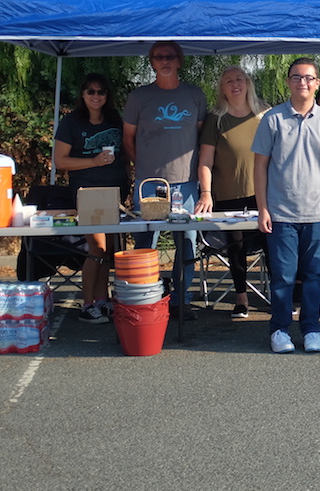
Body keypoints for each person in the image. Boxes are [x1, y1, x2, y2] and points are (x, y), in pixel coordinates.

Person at [253, 58, 320, 354]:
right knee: (283, 276)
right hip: (281, 212)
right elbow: (260, 166)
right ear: (288, 81)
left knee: (314, 275)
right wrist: (262, 208)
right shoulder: (273, 119)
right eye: (297, 77)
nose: (302, 83)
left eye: (309, 78)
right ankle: (279, 329)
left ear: (317, 84)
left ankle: (312, 329)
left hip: (318, 212)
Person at [122, 41, 207, 319]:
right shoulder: (139, 97)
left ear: (179, 61)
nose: (165, 61)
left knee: (187, 243)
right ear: (152, 62)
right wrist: (144, 168)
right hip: (151, 186)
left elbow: (203, 139)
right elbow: (128, 139)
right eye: (159, 57)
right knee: (146, 243)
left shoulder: (195, 95)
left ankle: (181, 301)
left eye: (170, 56)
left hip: (187, 184)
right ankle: (146, 300)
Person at [53, 73, 129, 324]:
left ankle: (102, 299)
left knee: (110, 251)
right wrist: (92, 161)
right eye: (91, 92)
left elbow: (126, 153)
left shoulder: (115, 118)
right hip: (87, 192)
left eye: (101, 92)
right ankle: (87, 304)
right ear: (83, 94)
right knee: (96, 248)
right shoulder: (71, 122)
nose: (96, 96)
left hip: (116, 191)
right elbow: (60, 161)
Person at [194, 66, 269, 319]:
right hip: (227, 196)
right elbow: (205, 160)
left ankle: (279, 298)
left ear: (247, 83)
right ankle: (241, 298)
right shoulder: (215, 118)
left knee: (272, 246)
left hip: (262, 195)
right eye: (228, 81)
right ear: (222, 88)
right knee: (236, 248)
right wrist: (206, 193)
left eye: (239, 79)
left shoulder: (265, 113)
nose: (234, 84)